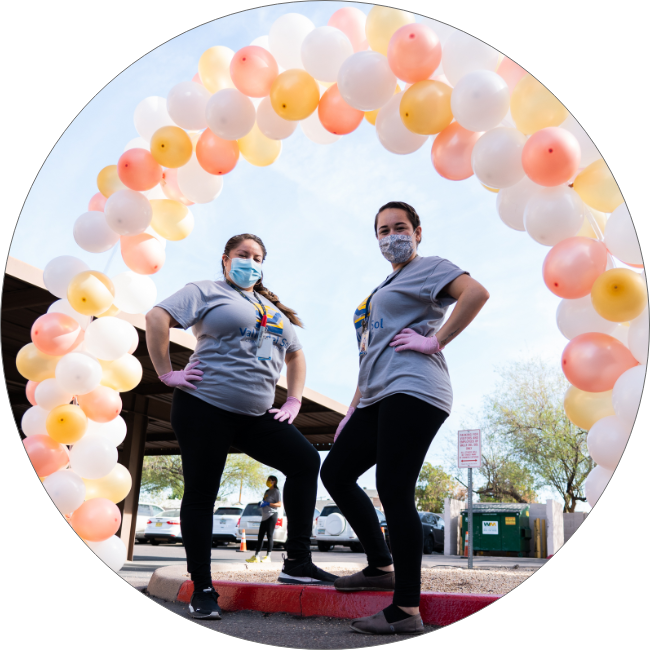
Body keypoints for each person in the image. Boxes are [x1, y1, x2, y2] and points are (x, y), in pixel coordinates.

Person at [145, 233, 338, 621]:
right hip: (204, 407)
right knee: (202, 494)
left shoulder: (272, 309)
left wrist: (295, 400)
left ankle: (297, 562)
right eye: (243, 255)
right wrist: (166, 374)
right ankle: (202, 587)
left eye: (258, 257)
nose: (251, 261)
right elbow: (156, 318)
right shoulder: (205, 290)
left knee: (304, 462)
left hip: (255, 416)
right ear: (226, 259)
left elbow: (296, 355)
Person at [320, 202, 490, 635]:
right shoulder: (382, 286)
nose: (391, 235)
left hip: (414, 388)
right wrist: (352, 408)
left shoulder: (430, 267)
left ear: (417, 232)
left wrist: (436, 342)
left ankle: (405, 610)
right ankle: (380, 565)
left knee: (393, 488)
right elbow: (368, 355)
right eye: (382, 230)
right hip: (376, 395)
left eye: (400, 228)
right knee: (336, 471)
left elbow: (476, 294)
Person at [246, 475, 282, 563]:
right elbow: (264, 501)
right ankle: (256, 556)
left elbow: (279, 504)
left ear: (274, 482)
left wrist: (268, 504)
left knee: (269, 536)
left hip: (272, 515)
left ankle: (268, 557)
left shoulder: (276, 491)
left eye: (270, 480)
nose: (268, 481)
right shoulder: (267, 491)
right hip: (264, 516)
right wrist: (261, 503)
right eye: (268, 480)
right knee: (260, 536)